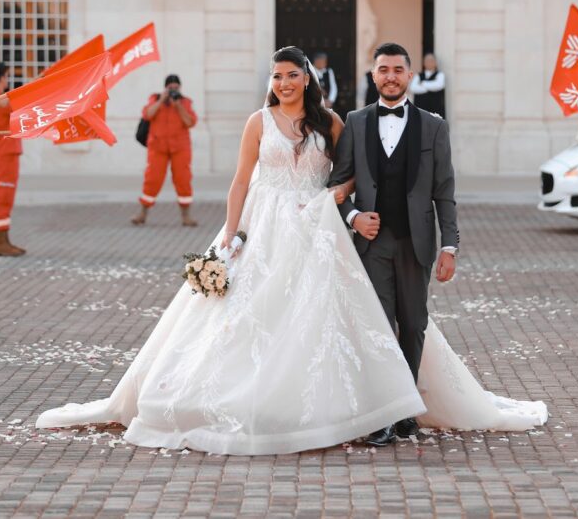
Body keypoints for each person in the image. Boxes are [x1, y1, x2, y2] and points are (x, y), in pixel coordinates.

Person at [36, 46, 547, 453]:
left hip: (315, 228)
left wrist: (331, 204)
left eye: (291, 75)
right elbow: (239, 182)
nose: (283, 84)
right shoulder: (257, 123)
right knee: (248, 317)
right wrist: (232, 235)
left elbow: (347, 179)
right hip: (263, 227)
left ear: (307, 78)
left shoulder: (334, 124)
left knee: (329, 316)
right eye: (276, 76)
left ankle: (378, 408)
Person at [329, 42, 543, 445]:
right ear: (373, 75)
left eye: (397, 69)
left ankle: (407, 406)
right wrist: (355, 217)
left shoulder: (433, 126)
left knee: (413, 325)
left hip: (417, 243)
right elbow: (336, 185)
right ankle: (384, 414)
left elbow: (444, 191)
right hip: (371, 246)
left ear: (410, 76)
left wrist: (450, 247)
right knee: (379, 326)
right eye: (383, 69)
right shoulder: (354, 122)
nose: (390, 76)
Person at [131, 75, 198, 227]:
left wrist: (178, 106)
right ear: (165, 88)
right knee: (152, 179)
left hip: (180, 148)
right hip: (158, 147)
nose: (173, 90)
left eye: (176, 88)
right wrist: (162, 100)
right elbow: (147, 114)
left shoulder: (185, 102)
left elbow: (190, 122)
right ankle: (142, 212)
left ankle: (186, 215)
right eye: (170, 88)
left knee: (183, 179)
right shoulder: (155, 99)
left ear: (180, 88)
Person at [0, 61, 26, 256]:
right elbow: (19, 102)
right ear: (2, 77)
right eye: (7, 76)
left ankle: (3, 239)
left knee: (5, 197)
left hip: (5, 151)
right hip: (5, 153)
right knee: (4, 196)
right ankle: (0, 241)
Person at [409, 53, 446, 117]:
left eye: (431, 60)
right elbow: (413, 88)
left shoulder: (440, 75)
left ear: (435, 63)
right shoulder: (418, 75)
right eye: (427, 61)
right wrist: (430, 87)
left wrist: (423, 84)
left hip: (436, 111)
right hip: (421, 111)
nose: (429, 62)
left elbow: (439, 85)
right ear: (424, 63)